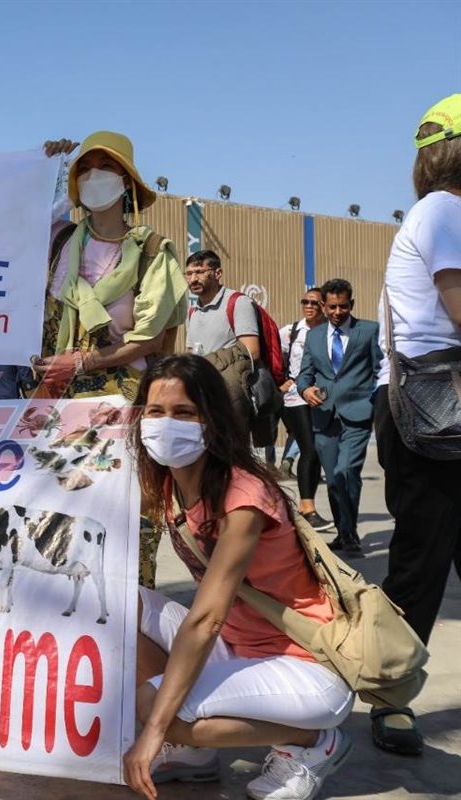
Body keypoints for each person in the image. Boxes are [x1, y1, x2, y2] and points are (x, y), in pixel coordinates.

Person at [123, 355, 353, 800]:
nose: (166, 423)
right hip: (238, 646)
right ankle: (192, 751)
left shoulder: (243, 496)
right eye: (155, 411)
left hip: (307, 665)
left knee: (154, 708)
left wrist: (153, 730)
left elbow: (206, 618)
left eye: (183, 412)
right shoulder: (171, 483)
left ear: (211, 420)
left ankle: (312, 740)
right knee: (117, 603)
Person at [34, 131, 187, 589]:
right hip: (61, 406)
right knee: (61, 518)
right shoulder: (60, 244)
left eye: (107, 168)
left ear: (127, 183)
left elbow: (150, 339)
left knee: (128, 521)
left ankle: (131, 617)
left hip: (128, 406)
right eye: (86, 169)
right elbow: (11, 222)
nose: (94, 177)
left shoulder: (152, 252)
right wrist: (46, 167)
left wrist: (81, 363)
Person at [369, 93, 461, 757]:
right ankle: (389, 696)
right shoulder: (446, 211)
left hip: (435, 402)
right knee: (421, 559)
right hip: (433, 408)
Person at [295, 279, 381, 556]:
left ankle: (349, 533)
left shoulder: (368, 331)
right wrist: (305, 389)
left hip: (358, 414)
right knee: (333, 479)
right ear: (324, 305)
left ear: (351, 304)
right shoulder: (314, 336)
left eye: (343, 306)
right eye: (332, 307)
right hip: (323, 415)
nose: (337, 312)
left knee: (347, 472)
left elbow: (380, 371)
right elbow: (305, 374)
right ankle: (344, 533)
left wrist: (376, 403)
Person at [183, 249, 263, 434]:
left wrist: (208, 364)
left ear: (217, 273)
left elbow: (251, 351)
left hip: (229, 397)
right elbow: (190, 352)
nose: (193, 279)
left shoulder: (238, 302)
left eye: (200, 272)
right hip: (200, 395)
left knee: (231, 447)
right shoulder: (192, 311)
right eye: (189, 273)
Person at [278, 287, 331, 531]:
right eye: (305, 302)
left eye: (314, 303)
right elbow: (272, 356)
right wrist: (282, 381)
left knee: (318, 450)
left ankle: (308, 506)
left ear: (323, 307)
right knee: (309, 448)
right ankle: (307, 509)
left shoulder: (329, 332)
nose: (309, 306)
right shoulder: (291, 331)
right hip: (295, 398)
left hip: (321, 397)